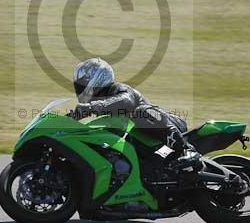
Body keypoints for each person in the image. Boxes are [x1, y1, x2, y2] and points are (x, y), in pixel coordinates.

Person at [71, 57, 201, 171]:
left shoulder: (118, 89)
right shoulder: (99, 102)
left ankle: (187, 150)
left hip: (170, 126)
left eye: (82, 83)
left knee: (141, 112)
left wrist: (91, 107)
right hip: (145, 145)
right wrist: (70, 119)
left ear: (96, 79)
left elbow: (125, 101)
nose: (80, 88)